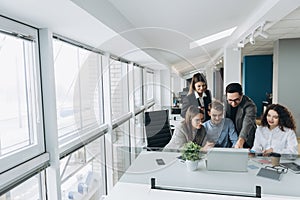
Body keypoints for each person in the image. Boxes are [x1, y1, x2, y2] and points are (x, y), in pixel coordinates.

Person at [224, 83, 257, 148]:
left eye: (236, 100)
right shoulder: (223, 100)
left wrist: (241, 140)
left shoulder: (250, 105)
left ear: (241, 95)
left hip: (245, 138)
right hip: (229, 137)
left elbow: (247, 124)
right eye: (230, 100)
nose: (233, 103)